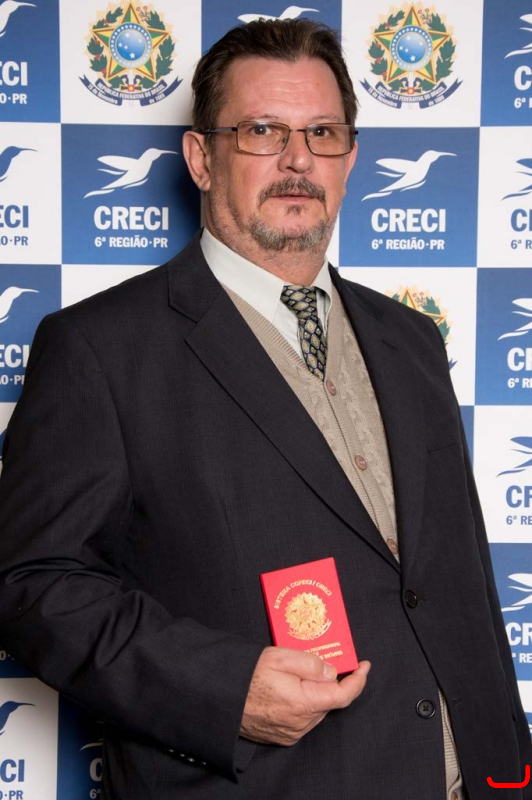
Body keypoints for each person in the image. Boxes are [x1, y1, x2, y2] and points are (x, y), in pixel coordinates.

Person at [0, 18, 529, 800]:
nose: (298, 160)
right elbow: (32, 584)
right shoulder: (100, 348)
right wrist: (224, 688)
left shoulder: (411, 338)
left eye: (322, 132)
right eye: (262, 131)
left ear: (349, 158)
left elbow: (457, 582)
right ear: (201, 158)